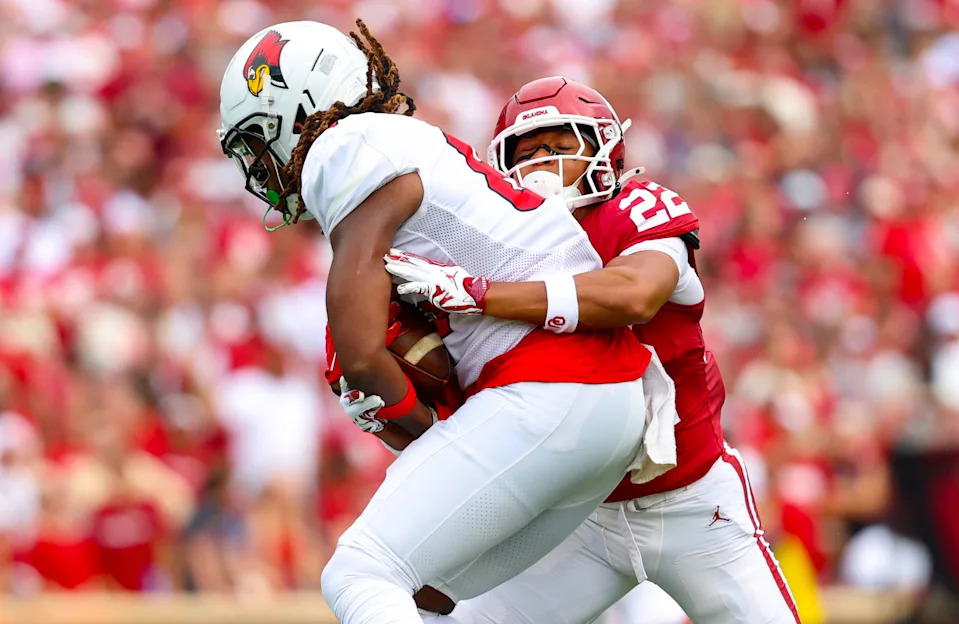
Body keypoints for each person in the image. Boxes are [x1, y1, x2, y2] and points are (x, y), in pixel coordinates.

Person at [217, 22, 661, 624]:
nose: (257, 166)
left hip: (549, 386)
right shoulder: (401, 141)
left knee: (359, 571)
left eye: (255, 139)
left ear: (297, 106)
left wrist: (395, 403)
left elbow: (357, 348)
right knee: (438, 600)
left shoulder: (342, 147)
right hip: (610, 405)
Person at [385, 76, 801, 623]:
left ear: (606, 148)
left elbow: (633, 294)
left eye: (560, 146)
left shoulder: (634, 208)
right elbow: (470, 413)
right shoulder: (489, 252)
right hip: (574, 514)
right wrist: (385, 404)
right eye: (526, 152)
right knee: (432, 606)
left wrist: (481, 294)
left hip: (693, 502)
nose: (542, 164)